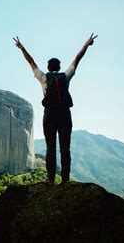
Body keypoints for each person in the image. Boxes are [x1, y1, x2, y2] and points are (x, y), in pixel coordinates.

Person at [13, 34, 98, 185]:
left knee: (50, 149)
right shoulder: (66, 76)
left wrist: (21, 48)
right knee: (65, 149)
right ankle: (65, 180)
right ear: (59, 67)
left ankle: (51, 180)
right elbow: (77, 59)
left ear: (48, 67)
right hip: (65, 114)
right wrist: (86, 45)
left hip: (49, 116)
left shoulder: (43, 78)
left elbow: (31, 61)